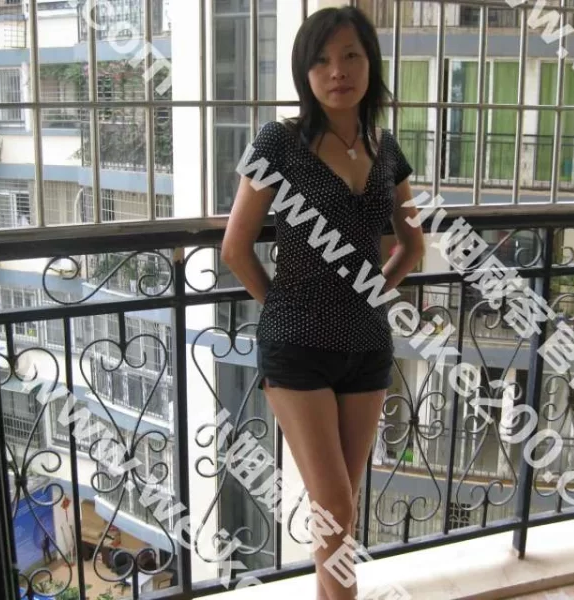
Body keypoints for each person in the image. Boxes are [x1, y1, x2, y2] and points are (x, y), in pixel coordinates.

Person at [221, 6, 425, 600]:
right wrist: (282, 309)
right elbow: (235, 247)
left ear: (370, 64)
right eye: (321, 60)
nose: (338, 71)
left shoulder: (386, 148)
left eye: (351, 56)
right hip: (297, 349)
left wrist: (374, 295)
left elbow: (412, 244)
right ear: (304, 73)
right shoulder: (280, 141)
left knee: (342, 508)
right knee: (332, 505)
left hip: (367, 348)